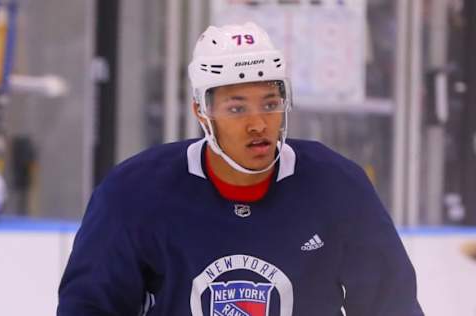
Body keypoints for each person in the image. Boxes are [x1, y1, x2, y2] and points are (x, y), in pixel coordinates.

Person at [58, 22, 424, 316]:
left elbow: (392, 305)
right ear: (201, 112)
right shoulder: (134, 192)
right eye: (236, 109)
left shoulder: (337, 185)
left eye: (270, 103)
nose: (258, 124)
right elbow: (88, 305)